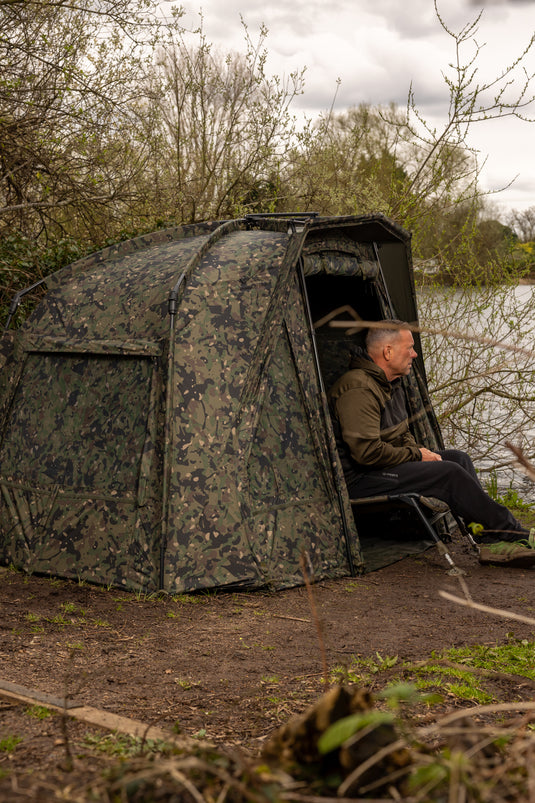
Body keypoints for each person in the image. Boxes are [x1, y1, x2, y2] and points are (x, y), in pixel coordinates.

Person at [328, 319, 535, 568]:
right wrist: (415, 456)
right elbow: (366, 454)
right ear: (388, 352)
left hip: (380, 469)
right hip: (359, 480)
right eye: (410, 347)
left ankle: (493, 542)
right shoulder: (358, 387)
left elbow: (401, 434)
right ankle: (514, 534)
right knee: (448, 473)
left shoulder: (390, 384)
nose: (414, 353)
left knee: (458, 459)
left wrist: (417, 451)